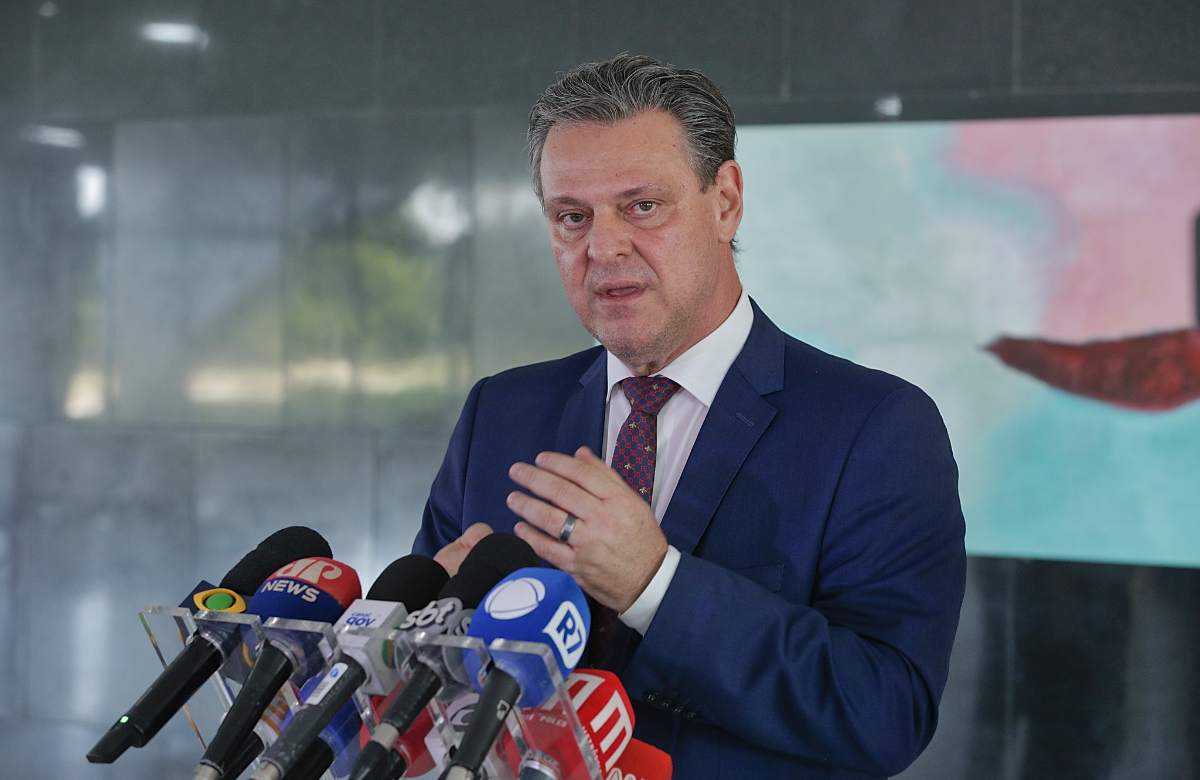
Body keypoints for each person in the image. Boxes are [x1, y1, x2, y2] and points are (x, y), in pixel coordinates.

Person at [414, 54, 966, 779]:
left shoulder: (878, 427)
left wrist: (655, 585)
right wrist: (440, 618)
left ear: (726, 200)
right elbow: (416, 682)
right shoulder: (501, 411)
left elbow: (885, 713)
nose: (603, 247)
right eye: (571, 217)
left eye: (642, 206)